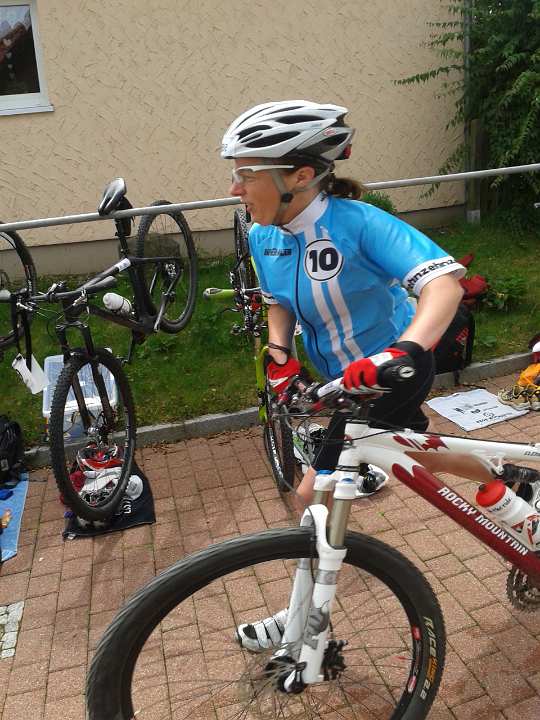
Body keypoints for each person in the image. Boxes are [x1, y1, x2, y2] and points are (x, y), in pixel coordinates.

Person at [221, 100, 466, 651]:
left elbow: (443, 284)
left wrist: (405, 349)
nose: (235, 188)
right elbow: (278, 300)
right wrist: (280, 354)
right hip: (339, 377)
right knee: (410, 452)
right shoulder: (263, 233)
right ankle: (516, 482)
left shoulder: (358, 223)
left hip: (392, 369)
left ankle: (302, 620)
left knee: (315, 492)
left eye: (246, 174)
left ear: (300, 176)